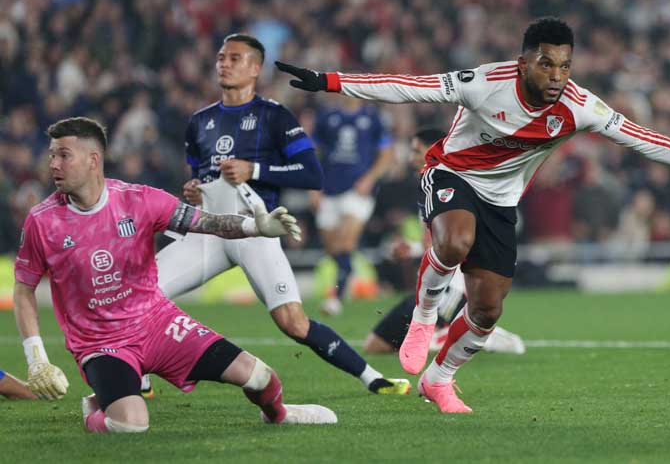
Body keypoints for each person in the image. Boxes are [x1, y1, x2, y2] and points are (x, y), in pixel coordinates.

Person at [276, 17, 670, 413]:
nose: (556, 76)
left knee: (488, 313)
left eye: (564, 66)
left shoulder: (580, 106)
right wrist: (330, 81)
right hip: (451, 174)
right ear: (523, 63)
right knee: (452, 242)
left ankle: (440, 379)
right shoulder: (484, 82)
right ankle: (423, 319)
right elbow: (410, 86)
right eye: (546, 65)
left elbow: (645, 140)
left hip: (501, 202)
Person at [14, 116, 337, 432]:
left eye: (63, 155)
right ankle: (95, 412)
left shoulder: (139, 199)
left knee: (260, 376)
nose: (54, 164)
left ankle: (279, 415)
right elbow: (24, 289)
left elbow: (207, 223)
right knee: (130, 424)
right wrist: (37, 358)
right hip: (101, 344)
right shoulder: (42, 221)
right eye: (52, 155)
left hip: (158, 324)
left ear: (93, 160)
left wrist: (256, 226)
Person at [150, 33, 409, 397]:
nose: (224, 63)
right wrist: (193, 189)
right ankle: (139, 376)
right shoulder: (199, 121)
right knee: (143, 294)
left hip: (255, 230)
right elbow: (199, 177)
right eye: (221, 57)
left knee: (294, 323)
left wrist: (254, 170)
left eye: (235, 58)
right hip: (208, 231)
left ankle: (371, 377)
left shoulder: (274, 116)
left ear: (255, 69)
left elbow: (312, 174)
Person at [364, 128, 525, 357]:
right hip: (434, 280)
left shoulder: (454, 185)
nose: (411, 158)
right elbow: (434, 243)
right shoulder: (427, 183)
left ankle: (477, 337)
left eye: (416, 151)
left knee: (380, 345)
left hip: (453, 285)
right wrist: (411, 248)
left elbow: (458, 241)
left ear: (434, 150)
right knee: (375, 345)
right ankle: (457, 334)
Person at [311, 96, 395, 316]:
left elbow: (386, 154)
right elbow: (313, 152)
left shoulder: (374, 118)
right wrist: (313, 186)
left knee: (345, 242)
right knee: (332, 249)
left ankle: (335, 299)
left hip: (358, 190)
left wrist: (370, 178)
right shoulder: (327, 116)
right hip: (329, 189)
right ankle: (347, 272)